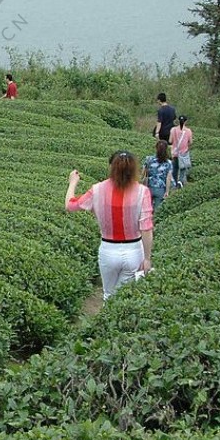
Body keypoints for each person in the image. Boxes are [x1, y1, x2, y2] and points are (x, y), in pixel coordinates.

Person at [65, 150, 154, 301]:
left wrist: (73, 183)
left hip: (108, 250)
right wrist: (147, 258)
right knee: (122, 297)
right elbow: (146, 228)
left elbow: (70, 205)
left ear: (111, 167)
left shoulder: (97, 189)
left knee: (108, 295)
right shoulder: (142, 192)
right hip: (133, 251)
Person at [142, 139, 175, 210]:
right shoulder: (168, 162)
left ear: (156, 148)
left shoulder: (149, 159)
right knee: (157, 211)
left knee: (147, 209)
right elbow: (168, 178)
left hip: (148, 187)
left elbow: (143, 174)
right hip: (160, 189)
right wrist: (167, 191)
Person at [170, 115, 194, 187]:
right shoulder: (188, 131)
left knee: (175, 168)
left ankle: (174, 183)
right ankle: (180, 181)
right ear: (186, 121)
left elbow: (170, 140)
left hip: (175, 153)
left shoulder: (173, 130)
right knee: (183, 168)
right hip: (184, 153)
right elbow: (190, 142)